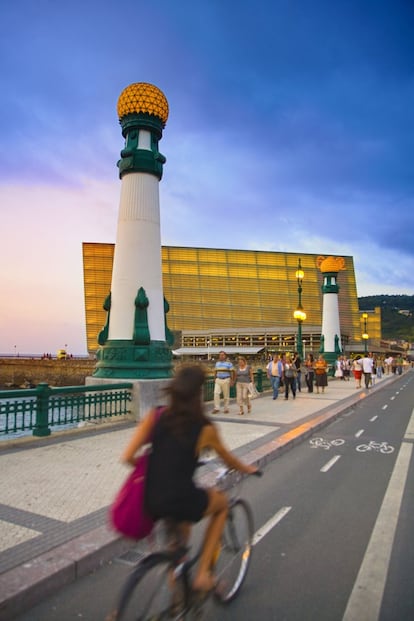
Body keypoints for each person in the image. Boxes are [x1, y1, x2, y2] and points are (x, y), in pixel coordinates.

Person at [121, 365, 258, 593]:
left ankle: (178, 604)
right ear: (198, 393)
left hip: (152, 497)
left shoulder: (155, 416)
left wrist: (153, 467)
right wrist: (248, 468)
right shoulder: (205, 428)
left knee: (177, 548)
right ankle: (203, 575)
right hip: (180, 497)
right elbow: (228, 459)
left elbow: (127, 457)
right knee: (222, 505)